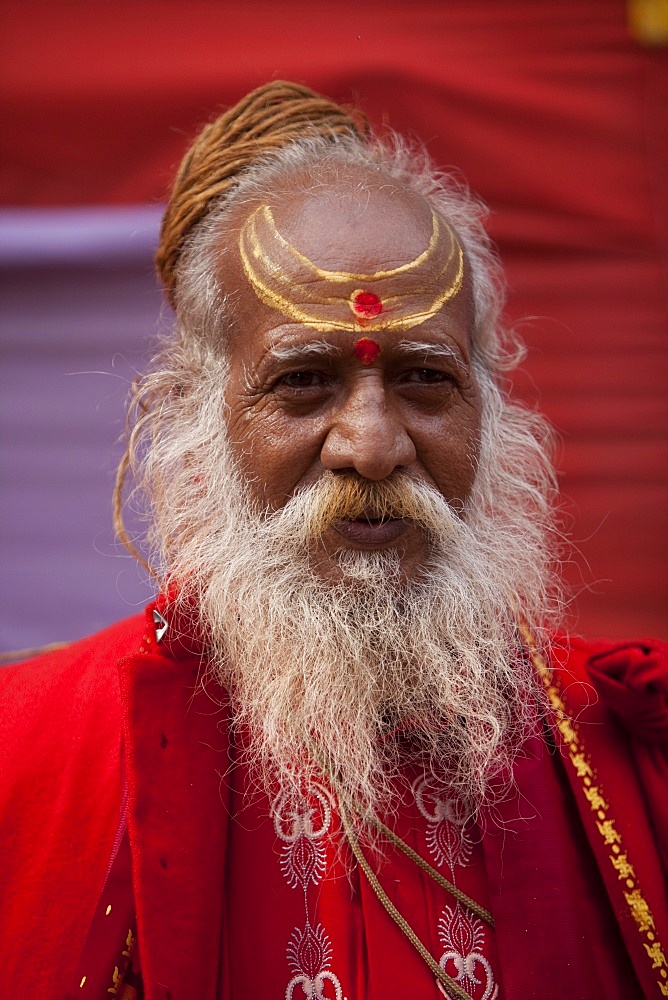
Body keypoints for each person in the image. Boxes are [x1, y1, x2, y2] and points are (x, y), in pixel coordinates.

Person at [1, 81, 666, 1000]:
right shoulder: (27, 754)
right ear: (196, 418)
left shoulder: (635, 762)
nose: (373, 445)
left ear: (494, 410)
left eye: (426, 379)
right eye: (303, 382)